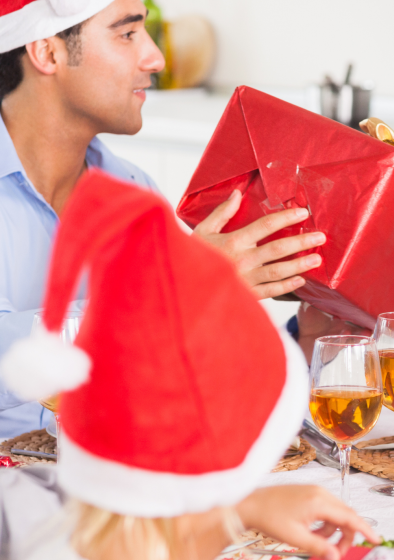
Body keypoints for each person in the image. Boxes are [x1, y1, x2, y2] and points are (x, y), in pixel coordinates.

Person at [0, 170, 377, 560]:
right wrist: (171, 297)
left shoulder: (132, 181)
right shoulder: (20, 516)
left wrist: (306, 340)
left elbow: (183, 382)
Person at [0, 0, 326, 438]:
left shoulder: (135, 193)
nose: (156, 58)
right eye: (127, 33)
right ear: (48, 52)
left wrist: (312, 340)